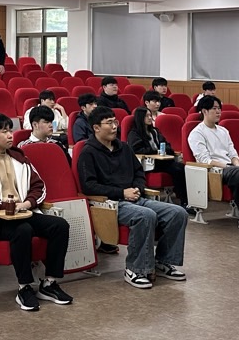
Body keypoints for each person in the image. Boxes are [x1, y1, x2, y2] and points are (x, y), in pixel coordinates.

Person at [0, 112, 73, 311]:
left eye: (10, 130)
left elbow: (39, 187)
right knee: (23, 230)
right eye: (4, 131)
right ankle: (25, 287)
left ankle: (49, 283)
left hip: (24, 212)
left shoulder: (20, 158)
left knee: (59, 225)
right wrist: (4, 204)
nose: (10, 135)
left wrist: (28, 203)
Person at [77, 107, 186, 289]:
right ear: (96, 127)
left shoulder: (124, 147)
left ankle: (163, 261)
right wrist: (122, 193)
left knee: (177, 213)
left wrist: (137, 188)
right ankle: (135, 269)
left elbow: (139, 172)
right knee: (146, 215)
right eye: (109, 123)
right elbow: (89, 186)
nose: (114, 126)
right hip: (110, 203)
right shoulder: (88, 152)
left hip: (135, 197)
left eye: (115, 122)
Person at [188, 95, 239, 234]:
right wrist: (231, 167)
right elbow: (205, 160)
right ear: (204, 111)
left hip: (230, 166)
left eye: (219, 108)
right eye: (214, 108)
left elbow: (233, 153)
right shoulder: (196, 133)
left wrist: (237, 164)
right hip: (214, 170)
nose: (218, 112)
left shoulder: (223, 130)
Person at [127, 104, 187, 206]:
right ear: (140, 118)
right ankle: (183, 199)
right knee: (177, 170)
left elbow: (166, 144)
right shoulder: (134, 134)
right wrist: (155, 151)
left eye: (150, 115)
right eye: (147, 116)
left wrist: (167, 150)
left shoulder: (155, 131)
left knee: (182, 167)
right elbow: (138, 149)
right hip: (149, 163)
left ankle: (185, 198)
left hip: (162, 161)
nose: (150, 118)